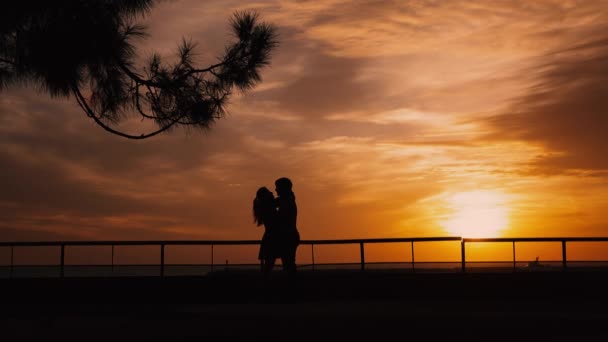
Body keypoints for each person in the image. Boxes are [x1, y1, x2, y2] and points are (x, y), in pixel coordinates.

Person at [274, 177, 300, 277]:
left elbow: (280, 218)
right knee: (289, 262)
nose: (276, 190)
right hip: (291, 235)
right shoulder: (287, 199)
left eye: (277, 187)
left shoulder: (285, 201)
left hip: (288, 235)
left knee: (288, 263)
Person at [253, 186, 280, 277]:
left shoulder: (267, 207)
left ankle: (264, 283)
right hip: (272, 238)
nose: (272, 193)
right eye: (269, 192)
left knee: (268, 265)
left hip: (269, 238)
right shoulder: (269, 207)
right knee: (269, 265)